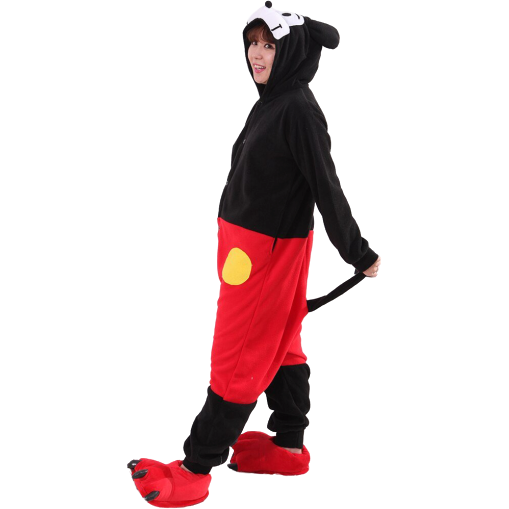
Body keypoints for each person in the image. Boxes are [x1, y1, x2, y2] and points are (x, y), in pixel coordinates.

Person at [128, 3, 381, 506]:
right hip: (249, 251)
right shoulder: (273, 100)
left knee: (237, 354)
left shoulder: (299, 110)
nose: (257, 55)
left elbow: (327, 188)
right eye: (253, 43)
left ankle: (195, 469)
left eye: (270, 46)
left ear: (292, 52)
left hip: (264, 257)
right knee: (283, 342)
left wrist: (359, 253)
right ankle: (288, 446)